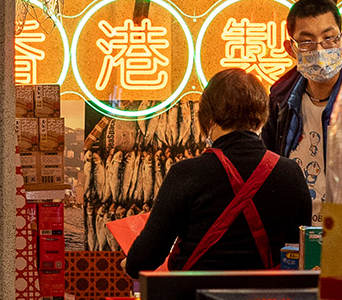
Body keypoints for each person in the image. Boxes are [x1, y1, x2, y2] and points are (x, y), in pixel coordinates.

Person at [124, 68, 313, 277]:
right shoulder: (290, 173)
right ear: (261, 120)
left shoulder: (186, 174)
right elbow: (301, 249)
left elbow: (142, 261)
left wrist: (128, 263)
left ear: (208, 120)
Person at [260, 0, 342, 212]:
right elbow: (268, 167)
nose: (319, 50)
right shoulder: (279, 99)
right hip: (293, 232)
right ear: (291, 48)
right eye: (307, 41)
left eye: (329, 38)